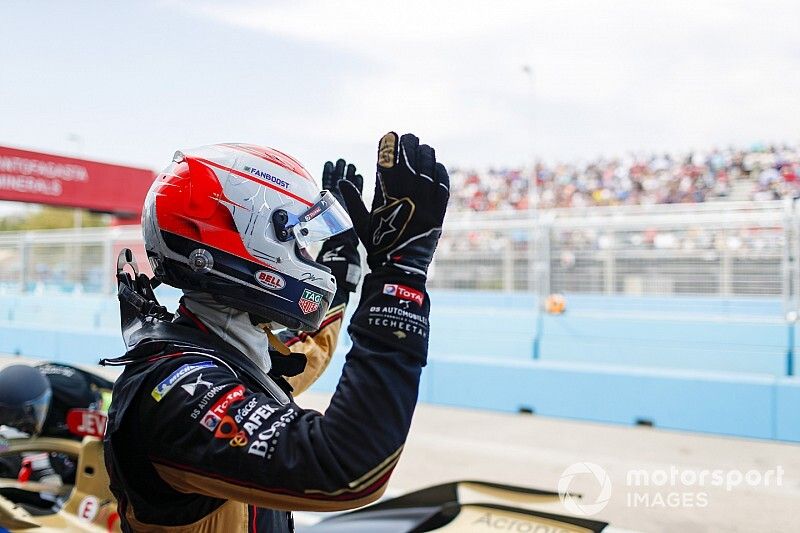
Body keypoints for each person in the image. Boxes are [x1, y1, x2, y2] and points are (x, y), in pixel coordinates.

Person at [103, 132, 449, 532]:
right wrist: (399, 278)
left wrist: (342, 269)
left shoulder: (223, 347)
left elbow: (304, 354)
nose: (307, 258)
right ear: (246, 241)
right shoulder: (174, 389)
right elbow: (346, 469)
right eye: (299, 241)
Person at [0, 362, 114, 484]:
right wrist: (4, 446)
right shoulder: (9, 404)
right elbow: (6, 442)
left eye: (27, 417)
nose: (23, 426)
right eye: (14, 418)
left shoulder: (75, 394)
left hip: (82, 417)